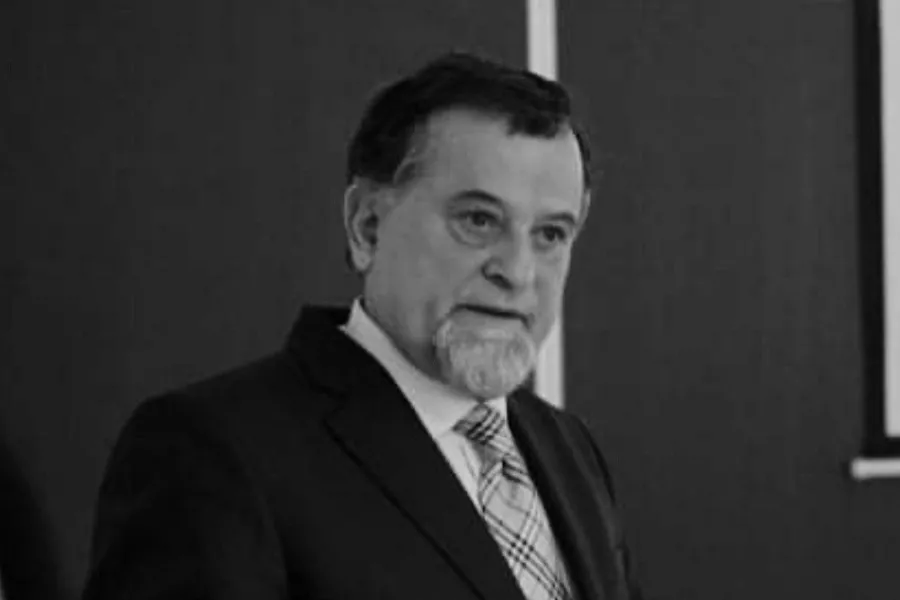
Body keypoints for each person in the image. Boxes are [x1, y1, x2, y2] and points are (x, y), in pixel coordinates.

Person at [82, 52, 641, 600]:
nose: (517, 272)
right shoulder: (214, 452)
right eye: (478, 220)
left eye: (550, 235)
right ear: (367, 226)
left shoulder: (568, 449)